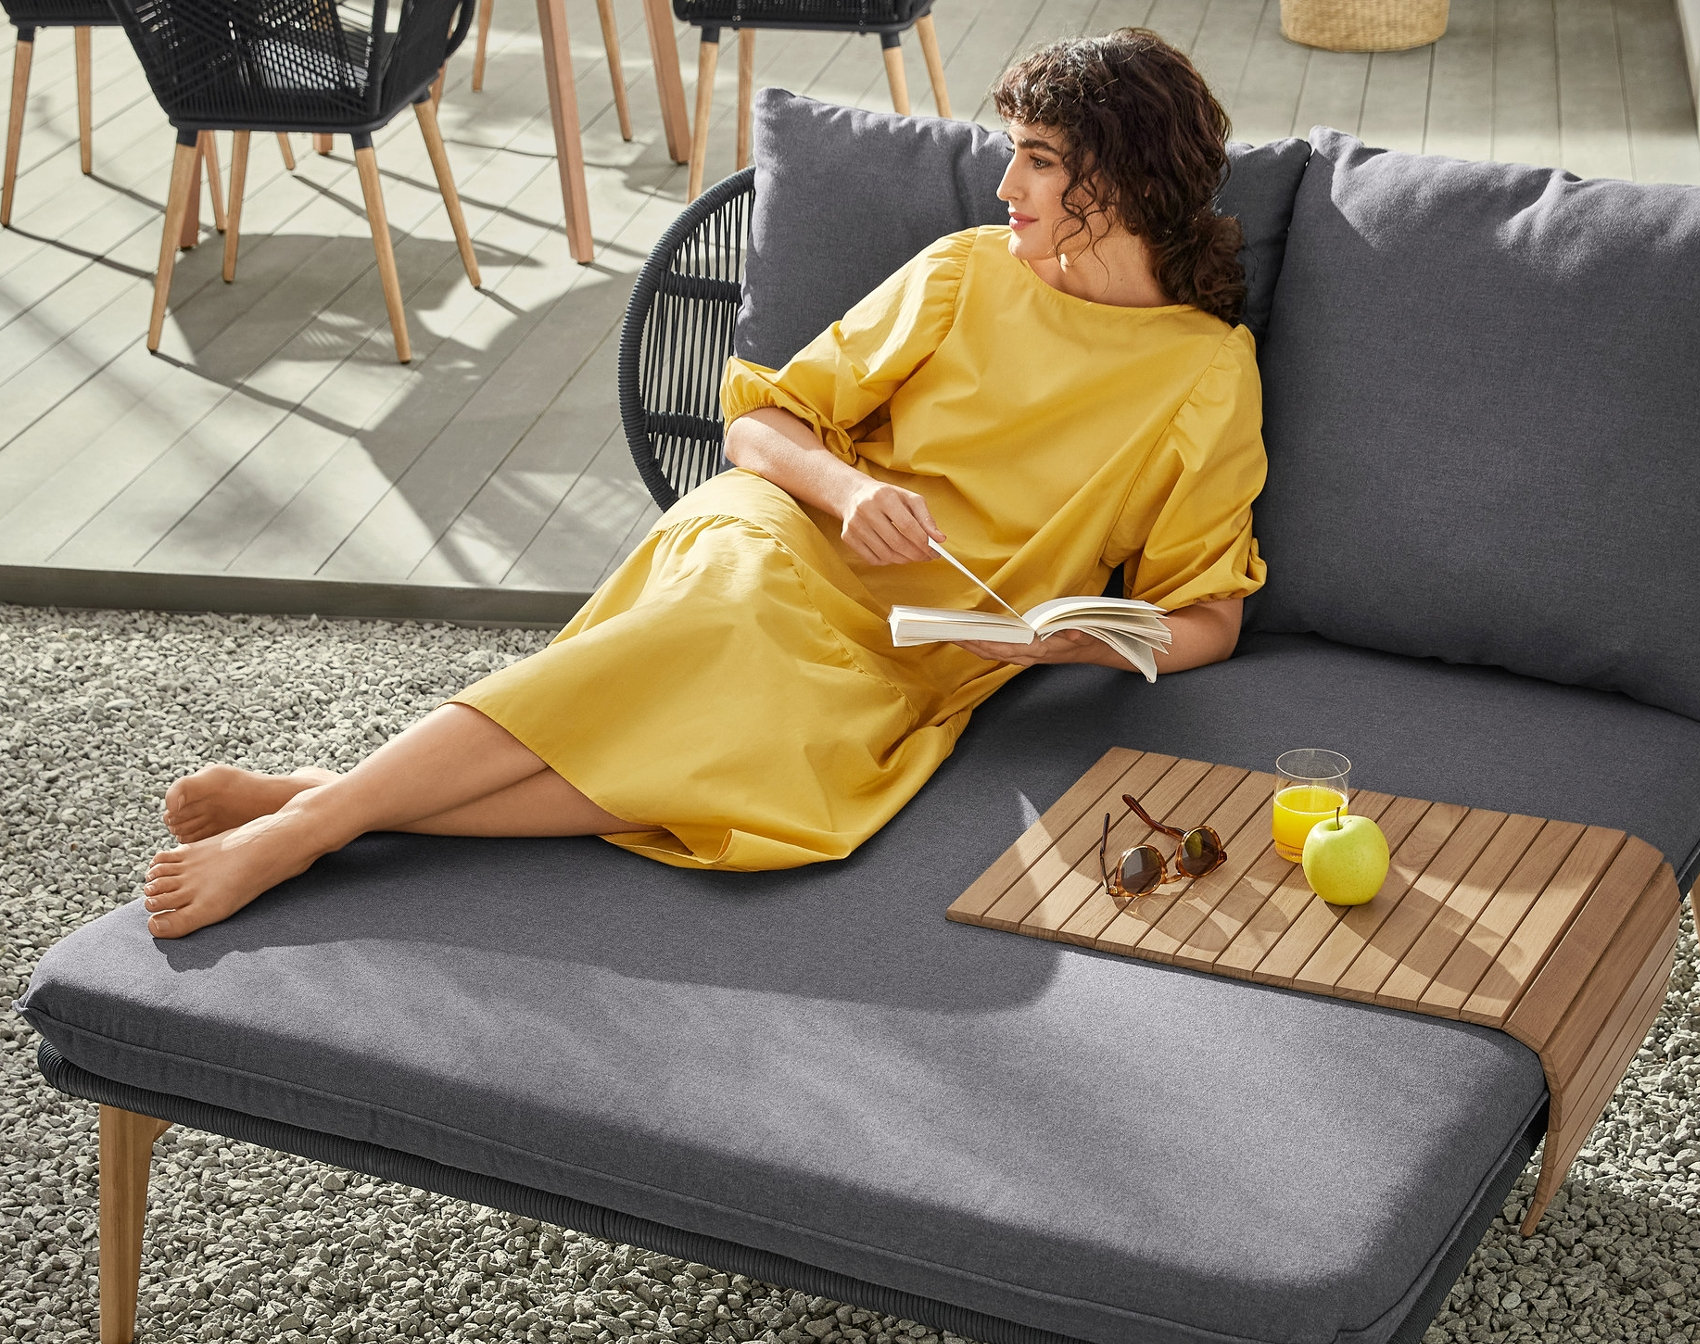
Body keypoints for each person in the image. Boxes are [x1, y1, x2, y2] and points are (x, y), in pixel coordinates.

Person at [141, 27, 1268, 939]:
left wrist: (1058, 643)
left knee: (763, 779)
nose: (1002, 177)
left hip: (928, 640)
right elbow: (759, 427)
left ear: (1114, 181)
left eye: (1036, 156)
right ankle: (308, 831)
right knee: (718, 629)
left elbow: (1208, 613)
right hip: (783, 533)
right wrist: (845, 491)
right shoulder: (966, 269)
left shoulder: (1204, 373)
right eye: (1010, 148)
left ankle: (331, 799)